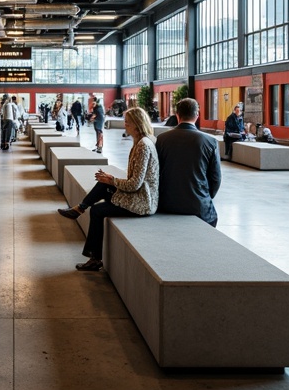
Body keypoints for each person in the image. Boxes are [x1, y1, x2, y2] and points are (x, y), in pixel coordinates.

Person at [57, 107, 159, 271]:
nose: (125, 126)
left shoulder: (143, 146)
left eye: (127, 122)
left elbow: (135, 184)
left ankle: (95, 258)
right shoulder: (142, 142)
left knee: (97, 210)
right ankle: (79, 209)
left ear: (136, 124)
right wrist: (109, 180)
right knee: (104, 183)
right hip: (138, 195)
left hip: (141, 202)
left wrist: (112, 180)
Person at [155, 97, 220, 227]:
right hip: (198, 206)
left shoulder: (162, 139)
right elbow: (216, 178)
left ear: (177, 115)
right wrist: (204, 196)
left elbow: (156, 172)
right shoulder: (210, 142)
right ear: (197, 115)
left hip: (167, 203)